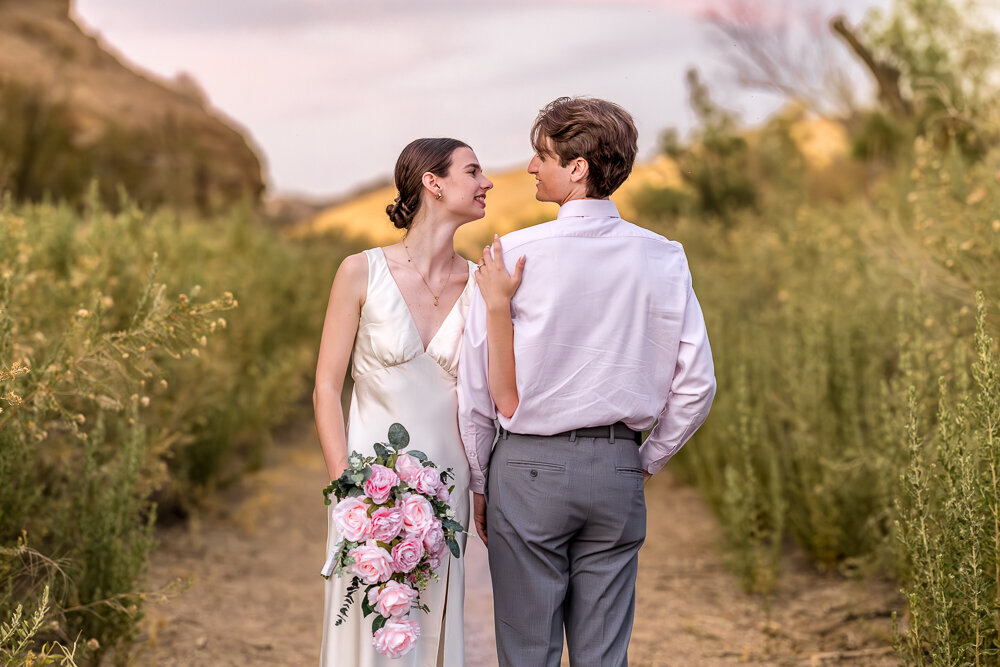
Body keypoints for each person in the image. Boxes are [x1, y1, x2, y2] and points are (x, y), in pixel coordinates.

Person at [458, 97, 717, 667]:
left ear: (578, 168)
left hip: (526, 471)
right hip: (616, 469)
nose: (529, 167)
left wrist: (479, 479)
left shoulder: (511, 257)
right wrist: (644, 460)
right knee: (604, 655)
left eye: (543, 155)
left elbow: (476, 390)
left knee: (527, 651)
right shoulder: (665, 257)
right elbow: (697, 384)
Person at [313, 137, 498, 666]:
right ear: (433, 182)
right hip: (367, 487)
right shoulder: (359, 271)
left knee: (429, 631)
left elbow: (485, 400)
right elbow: (326, 386)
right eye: (473, 171)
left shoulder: (481, 284)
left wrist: (480, 484)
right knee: (364, 628)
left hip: (447, 491)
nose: (487, 182)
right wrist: (344, 491)